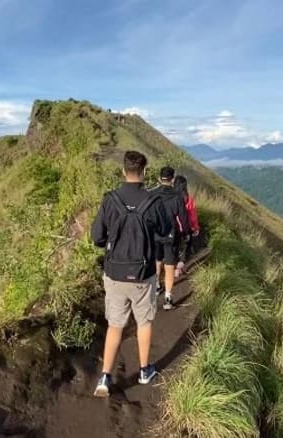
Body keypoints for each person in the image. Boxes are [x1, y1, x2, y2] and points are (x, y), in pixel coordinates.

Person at [91, 150, 172, 397]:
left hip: (114, 273)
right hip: (143, 273)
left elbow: (96, 237)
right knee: (144, 322)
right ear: (145, 172)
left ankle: (105, 376)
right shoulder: (153, 202)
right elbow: (165, 231)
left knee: (115, 325)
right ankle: (145, 371)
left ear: (123, 171)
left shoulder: (110, 199)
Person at [153, 166, 190, 310]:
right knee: (169, 267)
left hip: (155, 234)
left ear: (159, 178)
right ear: (173, 179)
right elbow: (183, 217)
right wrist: (186, 233)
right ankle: (168, 298)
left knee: (156, 261)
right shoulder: (177, 197)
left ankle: (156, 285)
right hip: (171, 235)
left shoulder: (152, 194)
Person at [173, 175, 200, 277]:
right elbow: (193, 216)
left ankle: (173, 267)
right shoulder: (188, 199)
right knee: (185, 248)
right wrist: (196, 228)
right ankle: (179, 268)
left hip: (173, 228)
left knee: (174, 248)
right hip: (186, 228)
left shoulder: (171, 197)